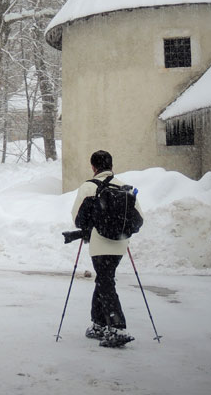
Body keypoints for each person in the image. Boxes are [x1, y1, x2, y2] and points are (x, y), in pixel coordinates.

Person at [71, 149, 141, 348]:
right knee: (104, 278)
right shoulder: (124, 187)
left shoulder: (89, 187)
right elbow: (139, 219)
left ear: (93, 167)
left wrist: (93, 224)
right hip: (120, 243)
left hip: (99, 243)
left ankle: (117, 327)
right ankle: (99, 324)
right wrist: (120, 228)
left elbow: (78, 219)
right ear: (111, 165)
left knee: (105, 281)